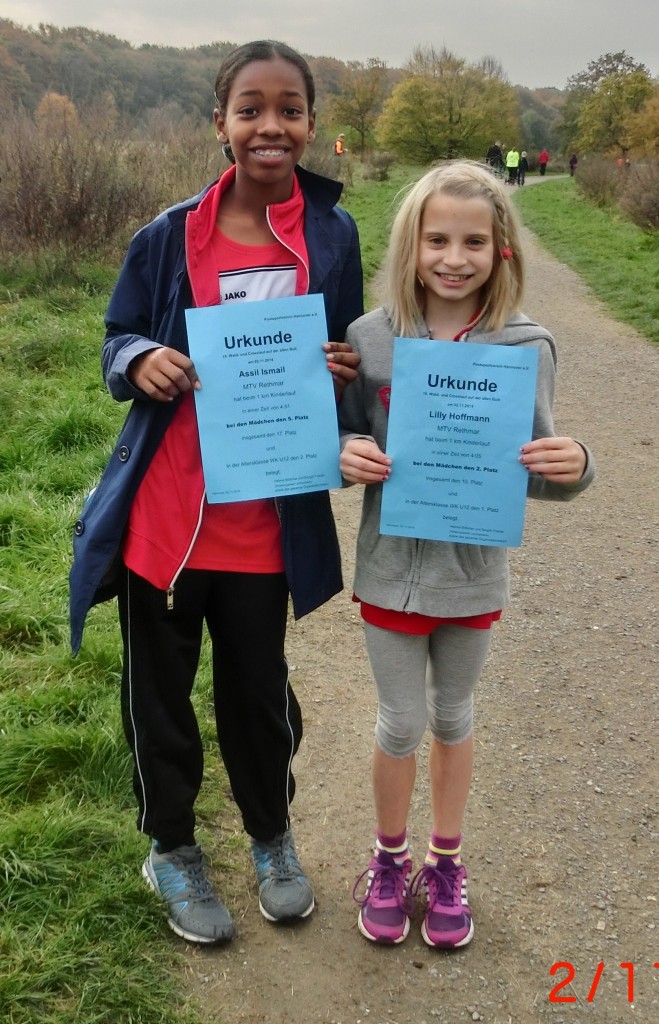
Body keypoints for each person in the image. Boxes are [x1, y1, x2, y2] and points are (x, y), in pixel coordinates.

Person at [68, 40, 364, 946]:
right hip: (167, 518)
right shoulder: (166, 236)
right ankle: (171, 847)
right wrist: (140, 358)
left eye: (289, 108)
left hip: (264, 522)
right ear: (221, 122)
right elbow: (118, 336)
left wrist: (340, 375)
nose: (270, 125)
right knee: (159, 697)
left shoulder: (332, 235)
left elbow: (346, 356)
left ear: (312, 123)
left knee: (256, 693)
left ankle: (272, 837)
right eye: (250, 107)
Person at [338, 160, 594, 949]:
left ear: (502, 250)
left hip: (471, 576)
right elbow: (343, 437)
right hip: (388, 570)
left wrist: (575, 464)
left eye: (473, 241)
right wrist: (344, 450)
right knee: (399, 722)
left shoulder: (526, 345)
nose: (454, 257)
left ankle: (446, 866)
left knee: (452, 716)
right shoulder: (369, 339)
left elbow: (541, 473)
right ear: (410, 245)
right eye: (437, 239)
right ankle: (390, 861)